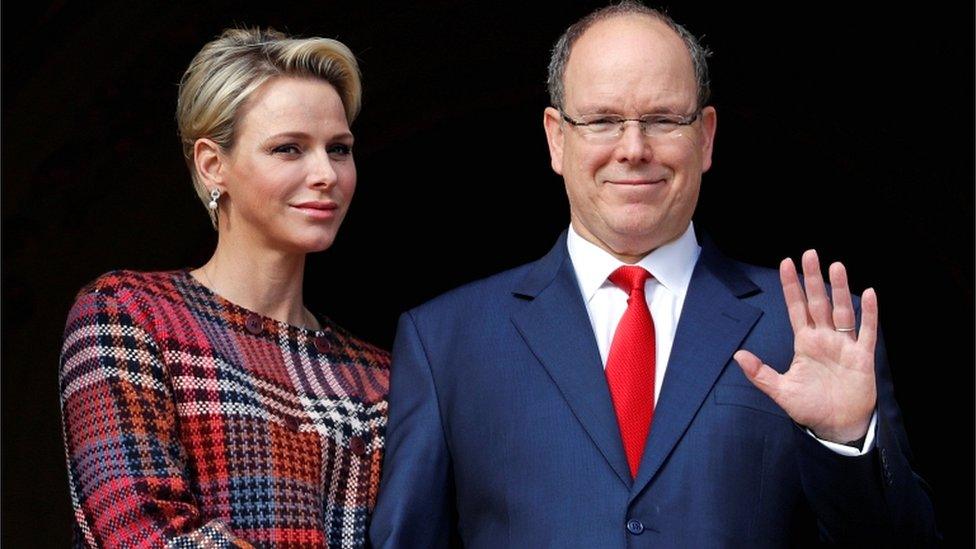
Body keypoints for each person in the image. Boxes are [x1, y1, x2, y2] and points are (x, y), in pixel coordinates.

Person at [369, 3, 937, 546]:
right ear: (556, 138)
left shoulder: (811, 330)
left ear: (706, 136)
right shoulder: (446, 339)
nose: (634, 149)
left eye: (663, 119)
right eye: (602, 121)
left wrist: (843, 443)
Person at [59, 28, 389, 547]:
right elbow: (142, 531)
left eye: (339, 149)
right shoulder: (127, 313)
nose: (326, 172)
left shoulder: (379, 378)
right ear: (214, 165)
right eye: (289, 149)